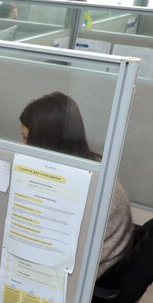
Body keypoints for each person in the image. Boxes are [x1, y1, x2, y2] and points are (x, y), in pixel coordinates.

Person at [19, 91, 132, 277]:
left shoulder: (84, 187)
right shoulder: (86, 167)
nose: (21, 145)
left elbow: (54, 248)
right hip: (88, 262)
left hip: (88, 275)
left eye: (25, 137)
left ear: (45, 142)